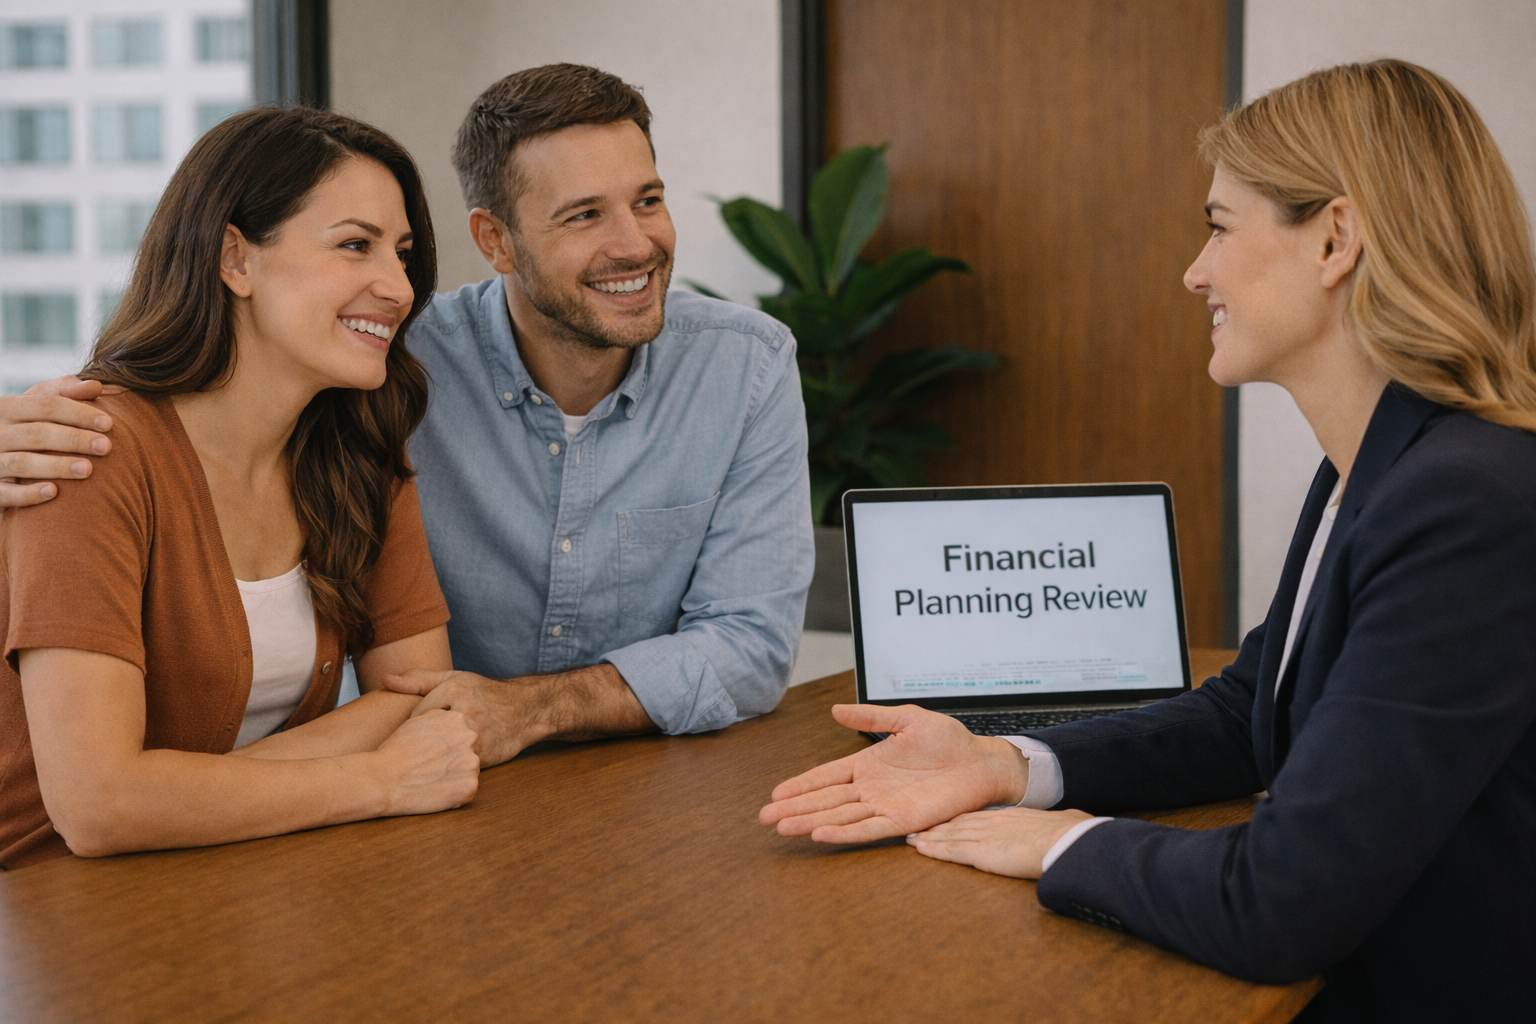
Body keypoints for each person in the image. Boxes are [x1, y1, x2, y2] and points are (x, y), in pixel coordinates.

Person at [758, 60, 1536, 1020]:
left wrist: (1065, 844)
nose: (1194, 270)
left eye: (1218, 226)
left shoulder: (1466, 502)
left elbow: (1282, 901)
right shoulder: (1384, 466)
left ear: (1336, 239)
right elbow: (1252, 709)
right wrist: (1006, 765)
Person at [0, 64, 813, 768]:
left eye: (648, 200)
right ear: (494, 242)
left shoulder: (745, 367)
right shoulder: (385, 368)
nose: (636, 244)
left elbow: (748, 645)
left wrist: (520, 714)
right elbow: (100, 797)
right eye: (584, 214)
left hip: (535, 790)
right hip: (242, 837)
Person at [0, 107, 481, 869]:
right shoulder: (88, 450)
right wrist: (378, 781)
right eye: (355, 245)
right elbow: (94, 810)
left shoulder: (360, 456)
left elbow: (424, 698)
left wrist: (167, 796)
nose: (398, 286)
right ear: (235, 259)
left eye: (403, 253)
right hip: (48, 911)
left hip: (244, 880)